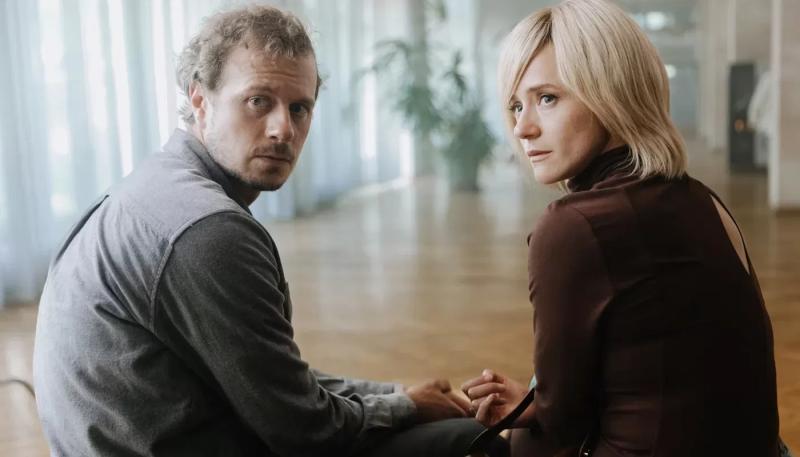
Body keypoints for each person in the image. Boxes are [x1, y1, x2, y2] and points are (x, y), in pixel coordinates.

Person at [32, 6, 508, 457]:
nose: (283, 129)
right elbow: (303, 432)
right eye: (258, 101)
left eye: (299, 108)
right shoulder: (208, 231)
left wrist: (396, 395)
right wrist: (404, 408)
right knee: (472, 439)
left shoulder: (154, 187)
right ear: (200, 100)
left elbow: (268, 377)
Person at [461, 0, 782, 456]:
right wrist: (540, 399)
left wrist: (537, 407)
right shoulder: (703, 198)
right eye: (516, 105)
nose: (522, 128)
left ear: (610, 92)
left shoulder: (572, 227)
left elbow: (563, 422)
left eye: (547, 98)